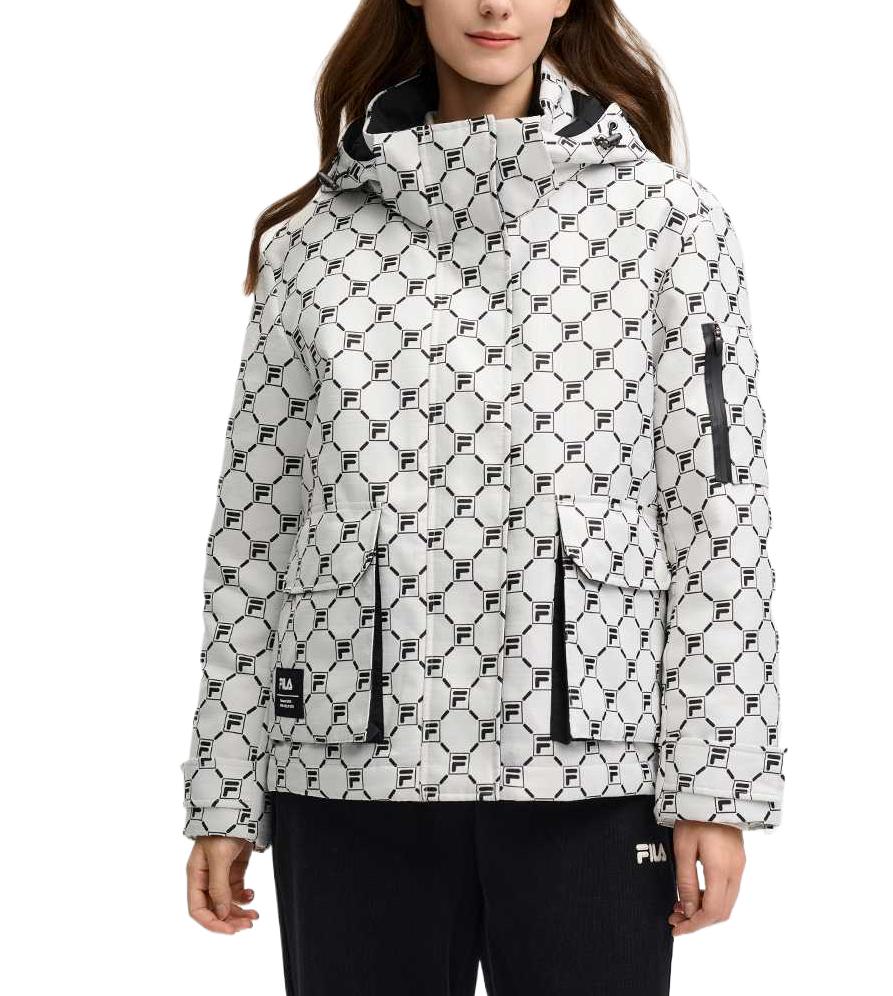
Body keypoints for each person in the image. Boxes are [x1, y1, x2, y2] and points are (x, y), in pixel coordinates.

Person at [181, 1, 786, 993]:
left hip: (593, 776)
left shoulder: (670, 224)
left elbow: (718, 519)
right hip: (347, 770)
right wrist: (224, 788)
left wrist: (714, 785)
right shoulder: (312, 242)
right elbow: (255, 532)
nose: (496, 5)